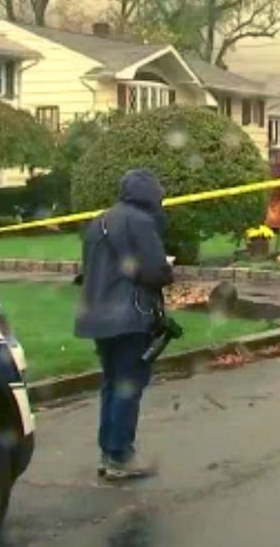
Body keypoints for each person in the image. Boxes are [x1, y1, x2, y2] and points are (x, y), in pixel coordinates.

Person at [74, 169, 174, 480]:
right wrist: (168, 269)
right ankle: (121, 455)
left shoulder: (99, 221)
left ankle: (108, 452)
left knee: (111, 382)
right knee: (128, 385)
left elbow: (89, 269)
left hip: (97, 315)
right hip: (130, 315)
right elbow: (155, 271)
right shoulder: (142, 223)